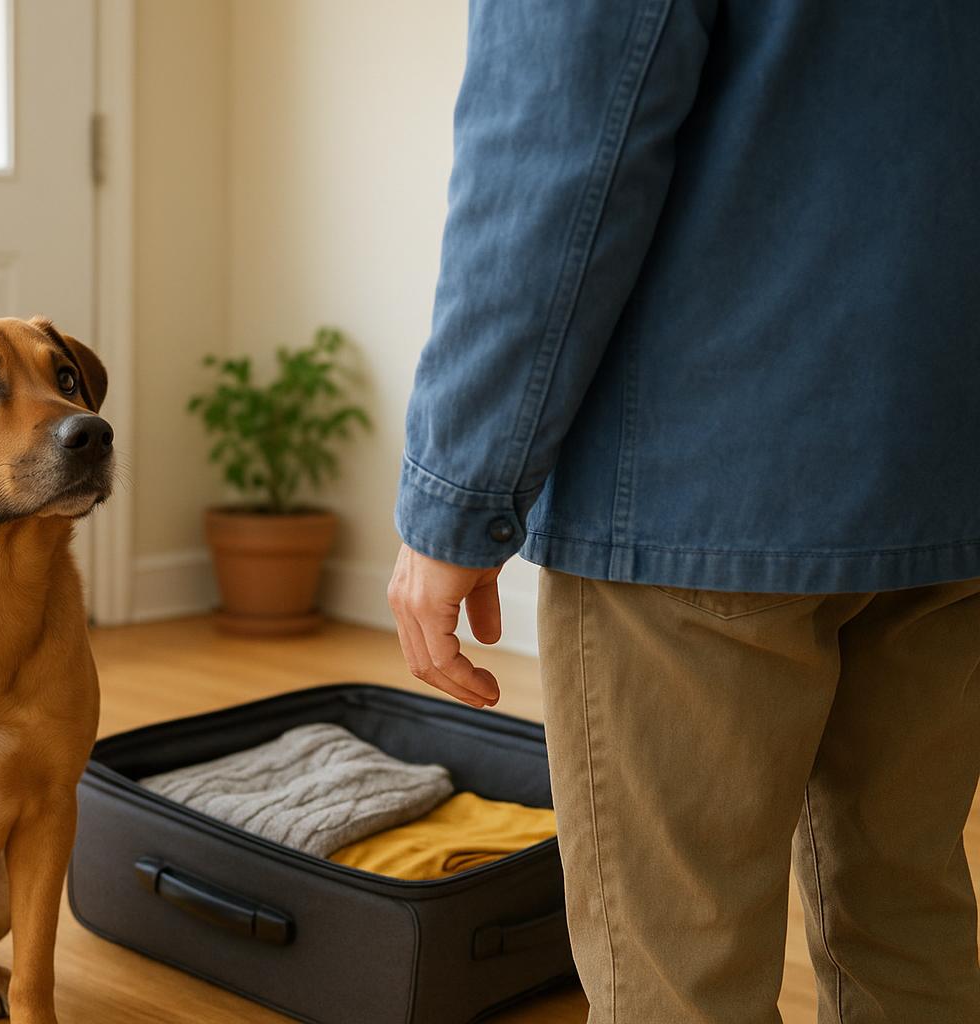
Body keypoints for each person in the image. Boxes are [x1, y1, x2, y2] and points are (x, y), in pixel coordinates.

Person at [387, 3, 980, 1022]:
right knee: (908, 918)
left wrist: (457, 489)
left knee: (678, 975)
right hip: (943, 458)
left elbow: (554, 152)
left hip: (695, 486)